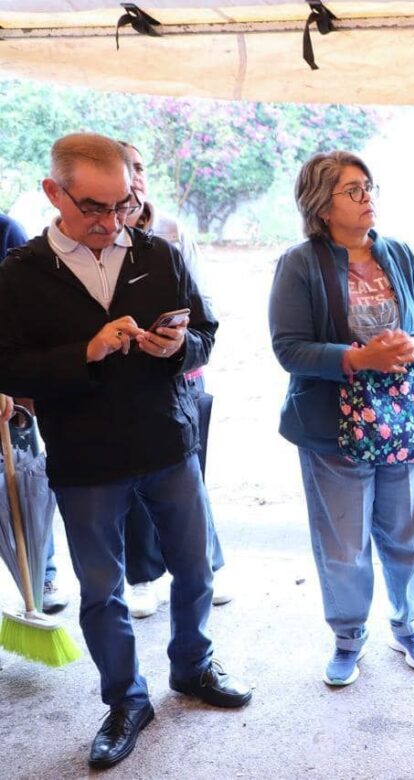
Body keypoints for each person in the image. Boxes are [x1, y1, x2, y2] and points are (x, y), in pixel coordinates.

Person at [0, 132, 251, 770]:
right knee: (101, 589)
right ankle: (125, 700)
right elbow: (10, 368)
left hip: (168, 440)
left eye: (124, 205)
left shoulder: (158, 253)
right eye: (95, 208)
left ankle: (193, 667)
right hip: (85, 458)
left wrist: (180, 349)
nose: (113, 222)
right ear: (53, 192)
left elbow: (206, 331)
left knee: (195, 570)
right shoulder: (20, 273)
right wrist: (86, 351)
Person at [269, 151, 414, 687]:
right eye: (353, 190)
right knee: (344, 544)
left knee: (407, 533)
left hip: (404, 418)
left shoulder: (399, 254)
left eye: (369, 186)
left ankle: (407, 622)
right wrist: (356, 358)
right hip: (333, 427)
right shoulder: (300, 264)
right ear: (322, 205)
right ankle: (348, 636)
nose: (367, 197)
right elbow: (289, 348)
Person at [116, 141, 230, 618]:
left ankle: (208, 563)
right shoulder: (83, 241)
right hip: (118, 385)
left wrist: (184, 348)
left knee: (188, 479)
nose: (137, 178)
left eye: (141, 167)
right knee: (134, 481)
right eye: (127, 170)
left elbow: (203, 307)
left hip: (182, 376)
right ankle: (142, 576)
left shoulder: (171, 232)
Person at [0, 213, 69, 615]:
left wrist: (10, 382)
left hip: (7, 392)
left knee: (24, 483)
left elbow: (22, 324)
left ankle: (41, 574)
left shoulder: (6, 232)